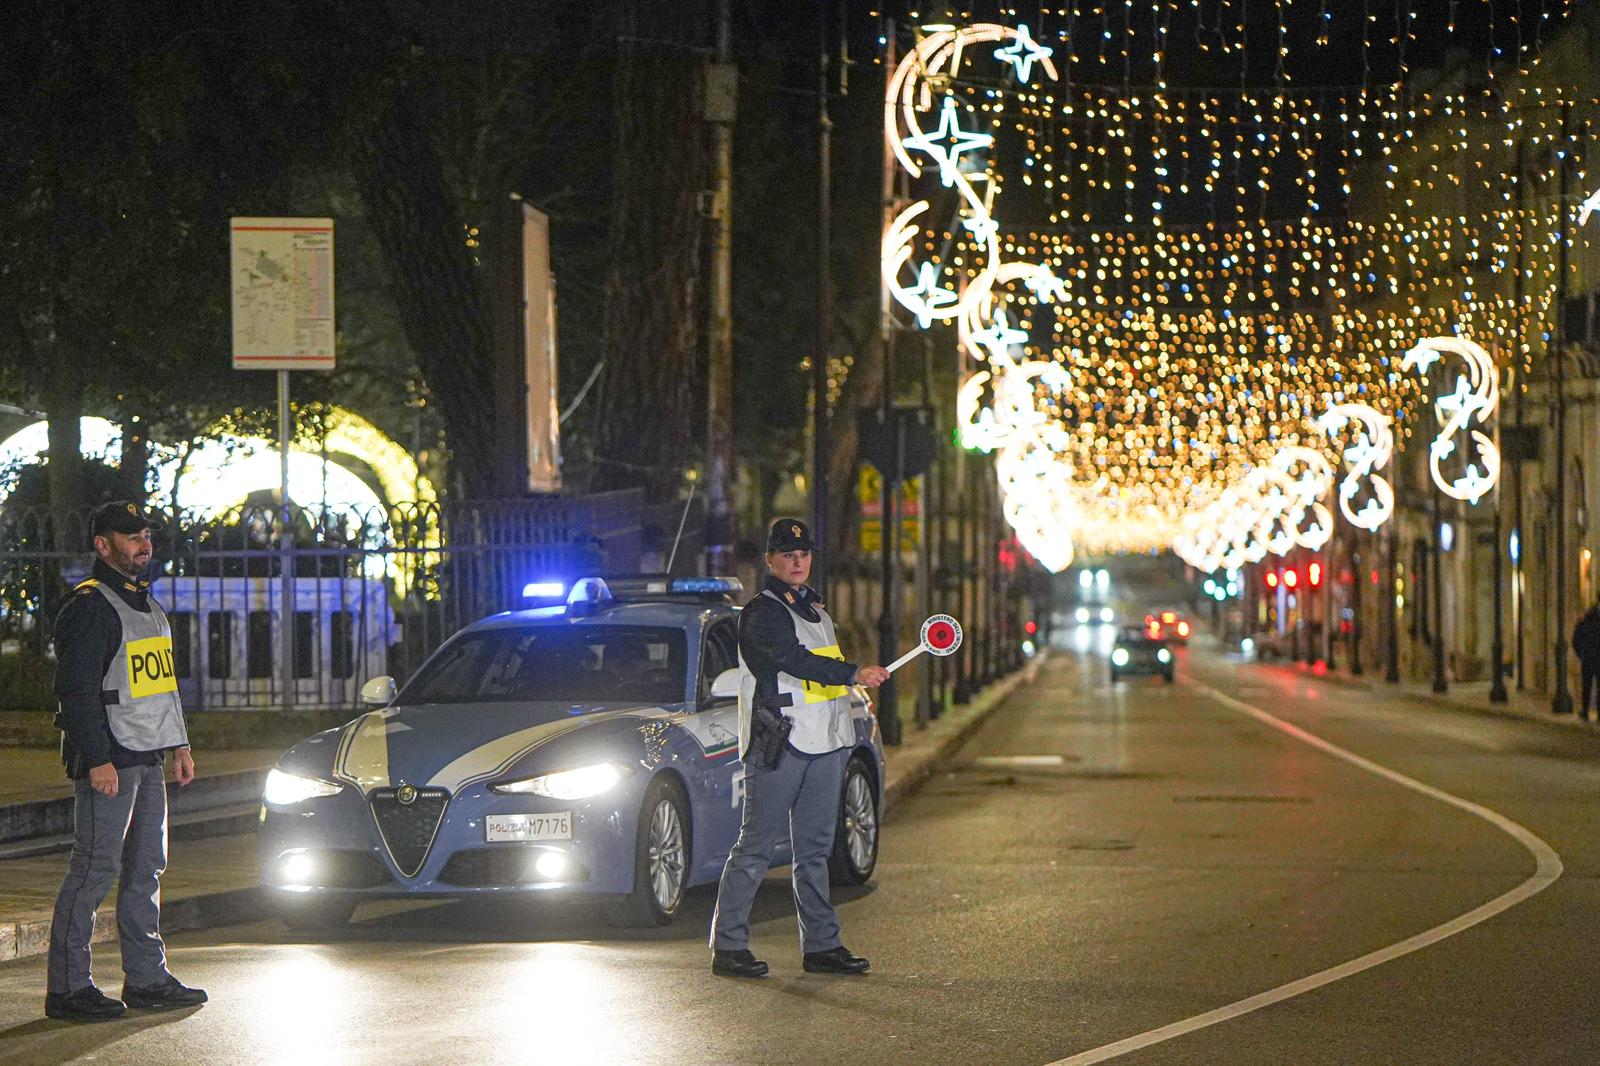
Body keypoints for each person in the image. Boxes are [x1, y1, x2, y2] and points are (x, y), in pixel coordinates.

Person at [45, 501, 208, 1022]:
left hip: (148, 757)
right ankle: (68, 989)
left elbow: (161, 689)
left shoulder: (148, 607)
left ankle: (147, 979)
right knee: (93, 871)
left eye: (145, 535)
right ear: (103, 545)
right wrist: (96, 760)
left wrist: (179, 745)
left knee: (146, 871)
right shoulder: (89, 607)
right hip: (111, 761)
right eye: (131, 536)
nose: (144, 544)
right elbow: (76, 693)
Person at [709, 518, 891, 979]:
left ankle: (822, 945)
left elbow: (816, 673)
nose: (797, 561)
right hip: (781, 741)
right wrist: (853, 674)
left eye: (804, 553)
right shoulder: (764, 612)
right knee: (756, 846)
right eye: (787, 554)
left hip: (826, 742)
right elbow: (793, 660)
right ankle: (729, 946)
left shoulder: (817, 609)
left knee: (814, 849)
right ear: (769, 560)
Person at [1573, 599, 1600, 720]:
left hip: (1588, 657)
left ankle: (1586, 711)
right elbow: (1577, 639)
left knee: (1587, 686)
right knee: (1588, 685)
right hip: (1590, 657)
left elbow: (1576, 639)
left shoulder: (1586, 618)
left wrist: (1582, 653)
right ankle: (1587, 711)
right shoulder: (1587, 619)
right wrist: (1582, 653)